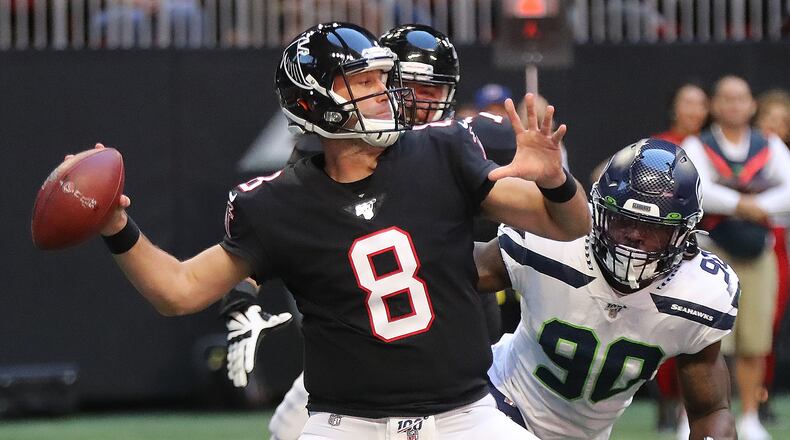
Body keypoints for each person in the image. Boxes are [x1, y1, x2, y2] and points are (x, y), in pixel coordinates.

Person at [94, 22, 590, 439]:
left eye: (381, 78)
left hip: (464, 416)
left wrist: (556, 182)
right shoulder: (276, 202)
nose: (383, 93)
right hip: (345, 423)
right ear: (312, 102)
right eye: (362, 82)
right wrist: (116, 225)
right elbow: (177, 292)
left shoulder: (443, 150)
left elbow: (567, 226)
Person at [481, 139, 738, 439]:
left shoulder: (700, 293)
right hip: (501, 401)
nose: (634, 237)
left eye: (653, 228)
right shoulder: (555, 244)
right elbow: (454, 275)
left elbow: (711, 411)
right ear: (599, 213)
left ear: (682, 234)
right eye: (621, 220)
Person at [682, 75, 790, 440]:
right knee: (707, 338)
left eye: (740, 98)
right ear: (715, 105)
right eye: (726, 99)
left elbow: (789, 191)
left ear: (752, 104)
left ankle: (749, 416)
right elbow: (698, 189)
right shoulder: (699, 144)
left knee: (755, 339)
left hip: (758, 250)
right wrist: (744, 204)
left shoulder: (769, 144)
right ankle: (696, 416)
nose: (733, 105)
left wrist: (750, 206)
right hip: (711, 251)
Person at [650, 81, 710, 435]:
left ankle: (698, 408)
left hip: (704, 244)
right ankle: (666, 402)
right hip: (665, 243)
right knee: (664, 324)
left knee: (701, 328)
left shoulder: (714, 147)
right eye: (687, 103)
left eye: (700, 103)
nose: (694, 110)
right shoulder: (661, 144)